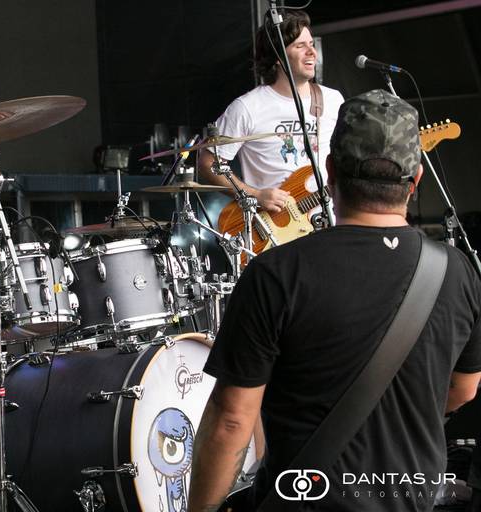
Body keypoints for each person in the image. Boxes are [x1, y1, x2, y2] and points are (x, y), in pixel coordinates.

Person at [188, 90, 481, 511]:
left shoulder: (275, 274)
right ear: (416, 180)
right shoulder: (456, 271)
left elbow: (232, 421)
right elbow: (464, 388)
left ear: (329, 172)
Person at [199, 9, 345, 214]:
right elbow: (208, 163)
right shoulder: (247, 107)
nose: (312, 52)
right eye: (300, 46)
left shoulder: (333, 100)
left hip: (328, 221)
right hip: (275, 225)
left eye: (311, 44)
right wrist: (254, 195)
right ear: (278, 57)